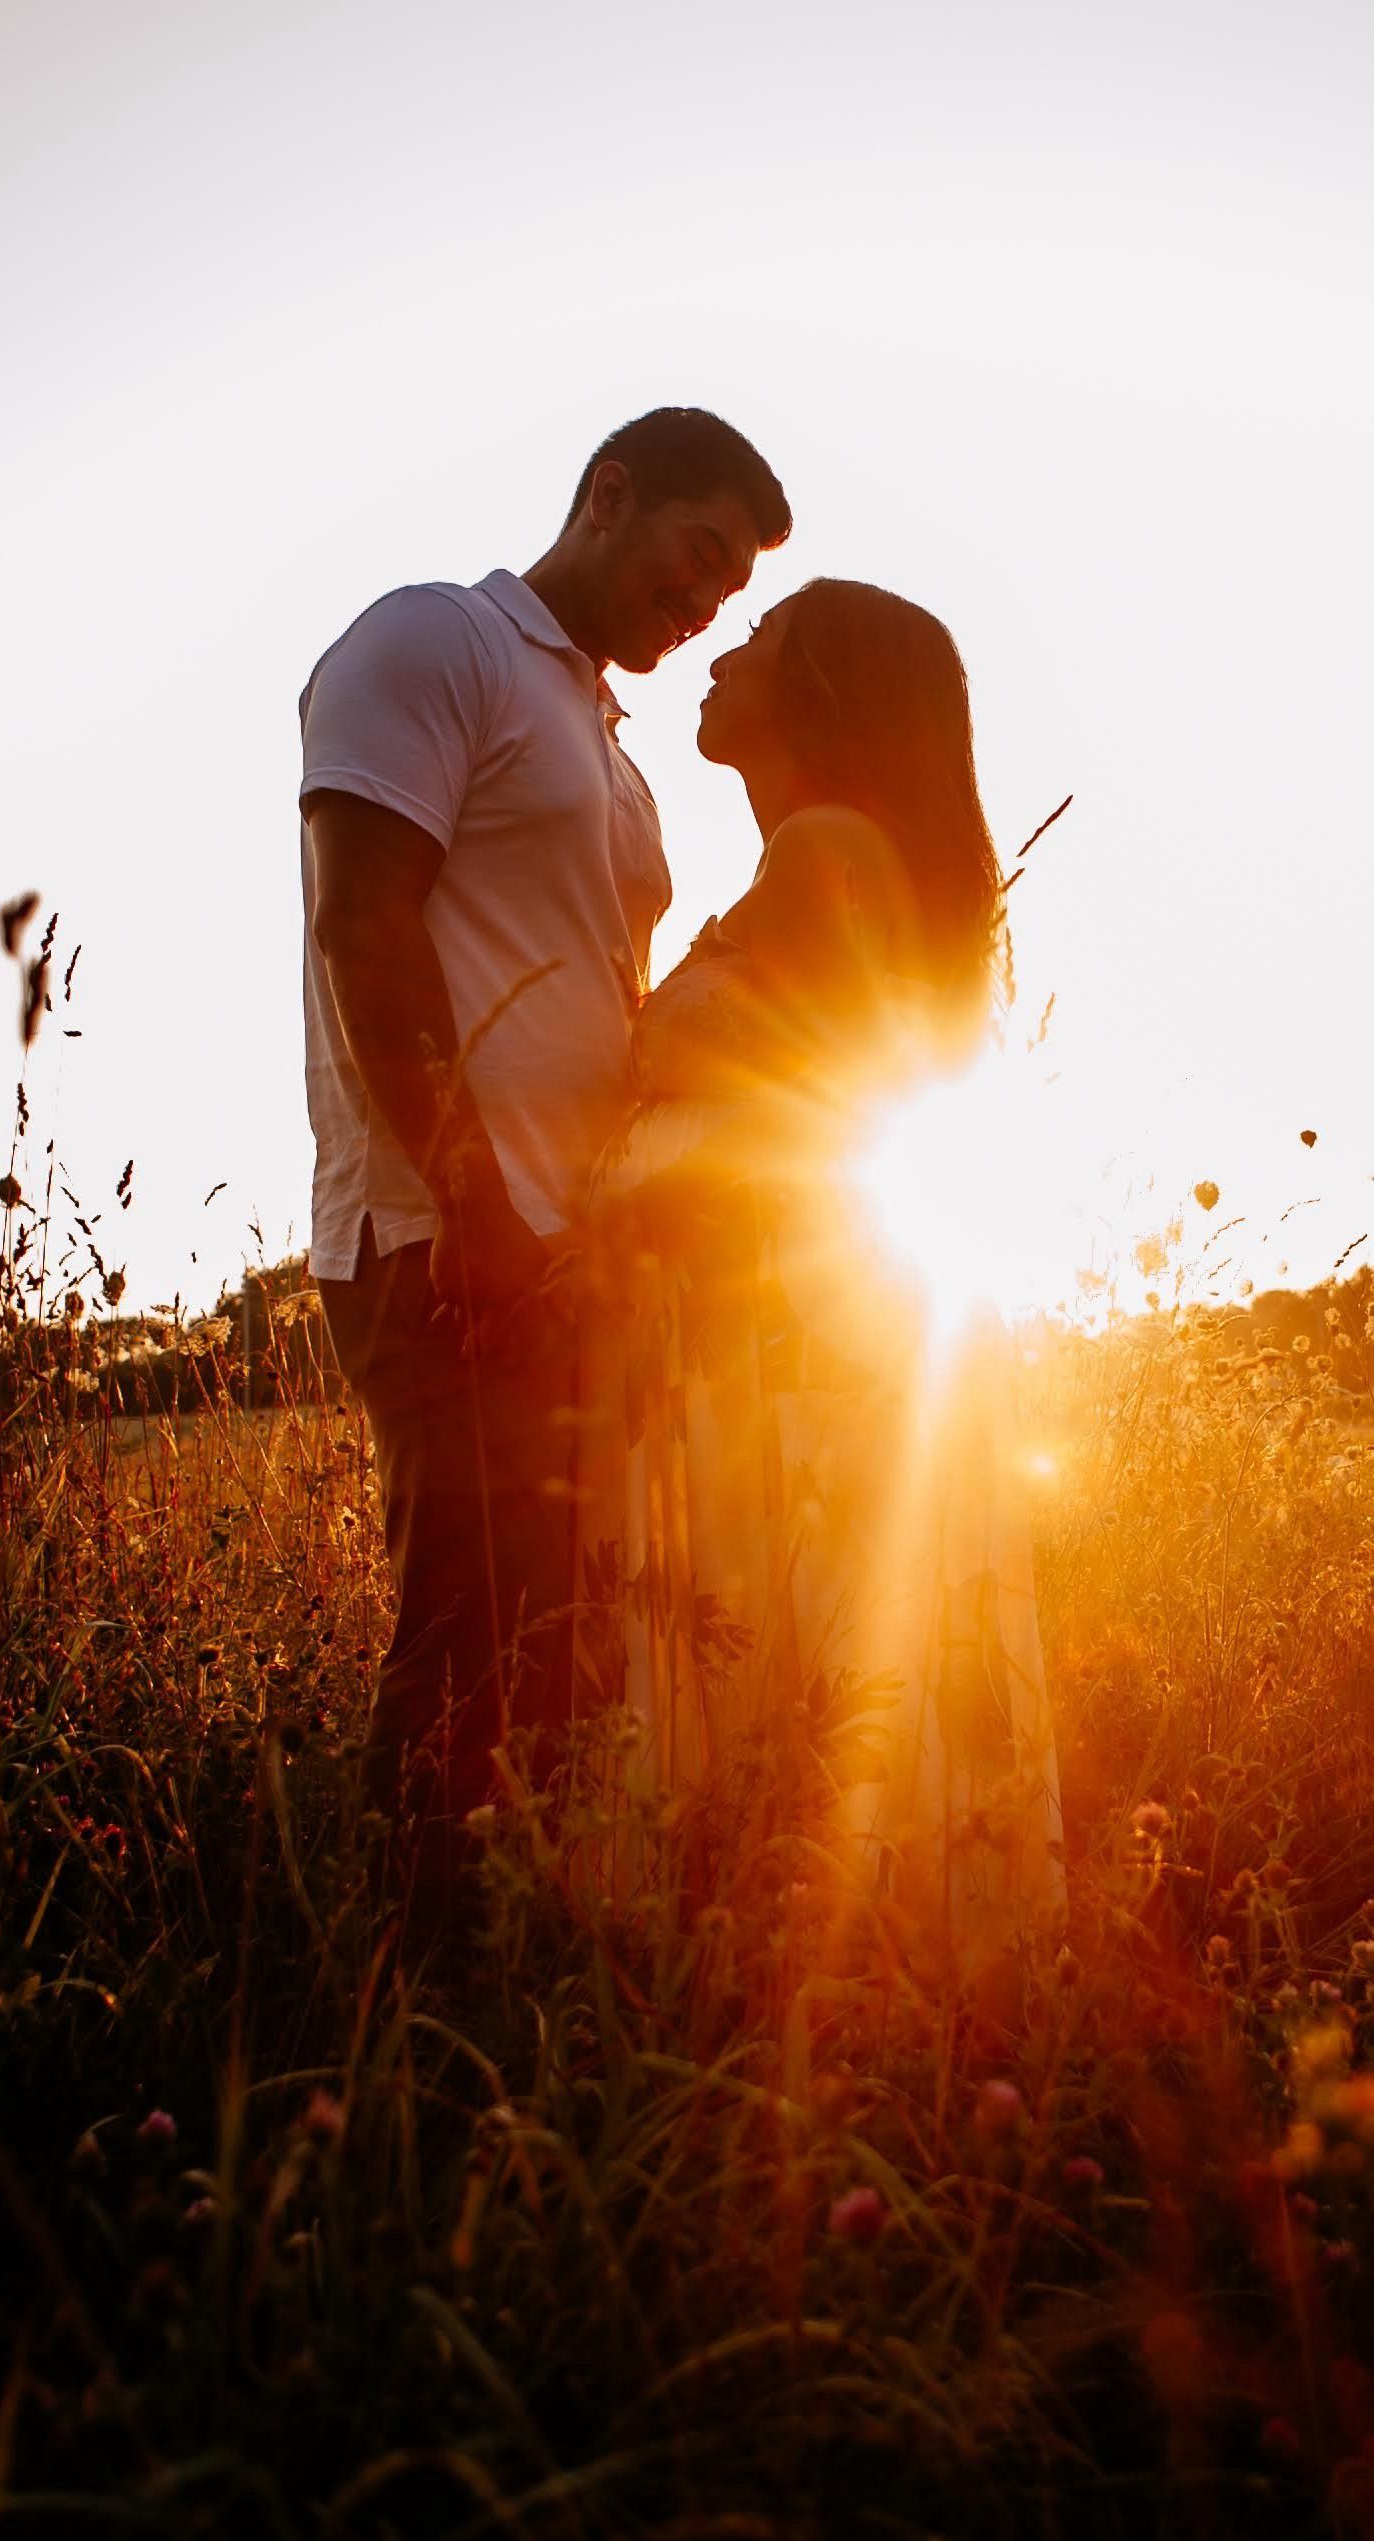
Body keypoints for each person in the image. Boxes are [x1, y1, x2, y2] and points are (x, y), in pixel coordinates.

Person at [301, 408, 793, 1929]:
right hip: (448, 1240)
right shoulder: (435, 642)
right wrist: (471, 1203)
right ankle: (399, 2003)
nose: (706, 601)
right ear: (609, 493)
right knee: (471, 1633)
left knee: (569, 1643)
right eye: (698, 552)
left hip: (575, 1252)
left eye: (734, 587)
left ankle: (528, 1979)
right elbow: (366, 928)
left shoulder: (607, 745)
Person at [577, 580, 1064, 1981]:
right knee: (838, 1649)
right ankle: (888, 1981)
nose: (722, 658)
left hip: (791, 1348)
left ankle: (824, 1981)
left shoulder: (827, 853)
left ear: (825, 698)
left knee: (805, 1651)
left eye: (762, 642)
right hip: (791, 1333)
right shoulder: (827, 858)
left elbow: (801, 1098)